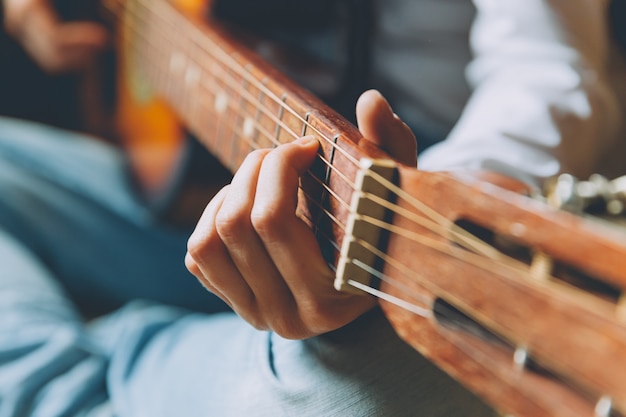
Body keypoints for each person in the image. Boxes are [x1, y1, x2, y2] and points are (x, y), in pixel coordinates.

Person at [0, 0, 622, 416]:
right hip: (183, 199)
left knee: (389, 376)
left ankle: (104, 354)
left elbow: (549, 70)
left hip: (384, 263)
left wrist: (431, 201)